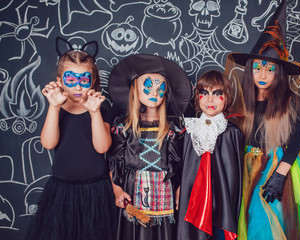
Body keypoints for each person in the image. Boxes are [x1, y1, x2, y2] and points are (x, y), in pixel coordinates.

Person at [224, 1, 300, 239]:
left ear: (278, 73)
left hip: (277, 165)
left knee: (271, 220)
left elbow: (297, 138)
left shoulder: (287, 101)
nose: (263, 75)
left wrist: (280, 174)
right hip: (246, 167)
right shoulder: (240, 100)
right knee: (248, 221)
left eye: (270, 69)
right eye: (258, 68)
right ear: (250, 69)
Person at [26, 37, 117, 240]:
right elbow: (48, 143)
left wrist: (94, 113)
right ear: (60, 81)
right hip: (61, 191)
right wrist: (53, 107)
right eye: (71, 80)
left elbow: (102, 147)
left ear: (92, 80)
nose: (77, 87)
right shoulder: (56, 108)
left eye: (83, 80)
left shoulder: (102, 109)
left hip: (96, 191)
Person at [107, 54, 191, 240]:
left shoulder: (174, 127)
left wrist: (180, 190)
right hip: (132, 190)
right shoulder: (124, 125)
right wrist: (117, 190)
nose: (154, 93)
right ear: (135, 88)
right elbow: (114, 161)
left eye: (160, 88)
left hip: (164, 191)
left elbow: (182, 163)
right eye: (148, 86)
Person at [177, 70, 243, 240]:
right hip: (193, 200)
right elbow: (184, 168)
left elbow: (234, 176)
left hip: (221, 203)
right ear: (197, 97)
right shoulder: (189, 131)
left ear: (226, 97)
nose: (210, 99)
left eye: (217, 93)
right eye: (204, 93)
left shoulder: (232, 133)